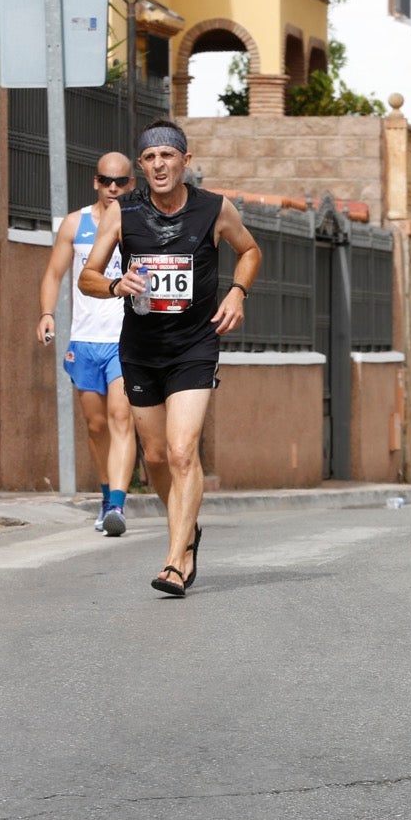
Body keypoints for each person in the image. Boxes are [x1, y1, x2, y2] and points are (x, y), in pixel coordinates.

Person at [77, 119, 262, 597]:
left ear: (185, 160)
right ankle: (186, 527)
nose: (159, 164)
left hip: (194, 346)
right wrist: (116, 284)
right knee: (156, 457)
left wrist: (237, 293)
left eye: (168, 155)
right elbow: (87, 277)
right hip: (141, 348)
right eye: (150, 158)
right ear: (142, 166)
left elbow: (249, 251)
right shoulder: (122, 213)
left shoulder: (214, 209)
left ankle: (176, 559)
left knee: (182, 451)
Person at [36, 152, 136, 535]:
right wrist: (47, 313)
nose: (113, 188)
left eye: (121, 182)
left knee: (121, 417)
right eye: (106, 180)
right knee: (96, 426)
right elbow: (54, 273)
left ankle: (118, 506)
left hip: (124, 339)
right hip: (85, 339)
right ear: (96, 182)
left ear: (131, 184)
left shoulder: (137, 222)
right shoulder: (75, 224)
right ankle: (106, 495)